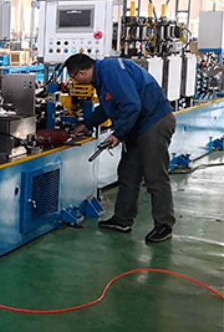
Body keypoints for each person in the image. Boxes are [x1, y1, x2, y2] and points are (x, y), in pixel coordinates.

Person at [66, 53, 177, 243]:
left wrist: (118, 134)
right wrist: (87, 124)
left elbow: (132, 105)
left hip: (154, 123)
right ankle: (122, 219)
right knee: (128, 174)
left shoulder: (111, 71)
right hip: (137, 126)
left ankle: (164, 225)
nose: (75, 81)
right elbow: (107, 106)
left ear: (82, 72)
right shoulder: (102, 77)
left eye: (74, 77)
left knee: (155, 177)